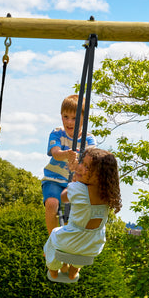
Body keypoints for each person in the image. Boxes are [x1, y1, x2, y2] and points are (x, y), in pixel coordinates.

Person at [43, 147, 121, 283]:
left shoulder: (78, 188)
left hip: (70, 241)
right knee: (82, 248)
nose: (80, 168)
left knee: (54, 235)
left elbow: (64, 197)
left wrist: (74, 182)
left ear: (100, 175)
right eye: (82, 163)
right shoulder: (108, 194)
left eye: (87, 167)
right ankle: (73, 272)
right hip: (93, 245)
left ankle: (53, 270)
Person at [42, 94, 96, 233]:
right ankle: (53, 238)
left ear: (84, 119)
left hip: (76, 182)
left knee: (83, 209)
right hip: (54, 179)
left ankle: (74, 237)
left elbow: (90, 163)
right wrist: (66, 154)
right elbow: (55, 152)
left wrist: (78, 164)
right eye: (65, 117)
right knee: (52, 203)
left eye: (74, 118)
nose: (69, 122)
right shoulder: (57, 133)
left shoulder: (89, 140)